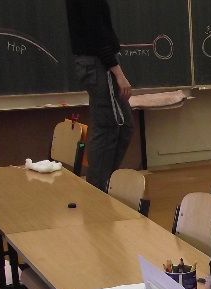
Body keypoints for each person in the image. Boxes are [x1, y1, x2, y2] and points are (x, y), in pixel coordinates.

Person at [65, 0, 134, 192]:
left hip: (98, 62)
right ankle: (98, 190)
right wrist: (118, 73)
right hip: (99, 64)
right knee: (107, 128)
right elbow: (97, 34)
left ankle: (106, 182)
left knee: (124, 126)